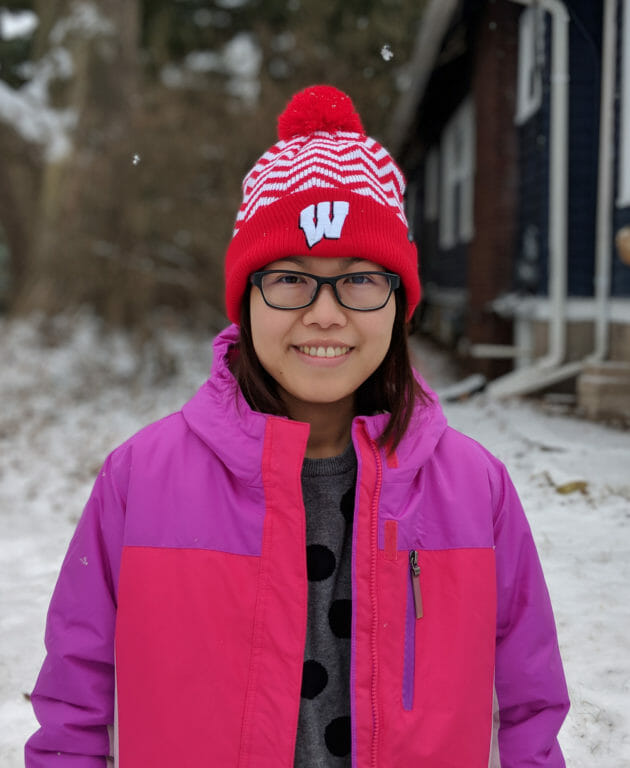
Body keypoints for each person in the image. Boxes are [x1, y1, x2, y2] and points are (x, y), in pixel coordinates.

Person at [26, 85, 569, 767]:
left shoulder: (474, 488)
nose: (323, 313)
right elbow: (75, 705)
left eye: (360, 280)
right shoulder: (142, 478)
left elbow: (528, 708)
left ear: (399, 304)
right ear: (245, 300)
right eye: (289, 279)